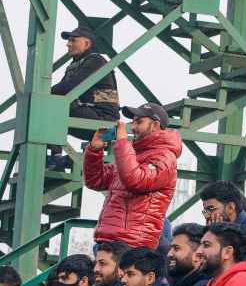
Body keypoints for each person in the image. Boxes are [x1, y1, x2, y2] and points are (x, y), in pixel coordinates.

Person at [84, 103, 183, 248]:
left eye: (139, 122)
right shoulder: (132, 155)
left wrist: (122, 142)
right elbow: (95, 180)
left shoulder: (165, 157)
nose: (133, 127)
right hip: (109, 239)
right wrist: (94, 150)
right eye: (133, 122)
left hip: (133, 243)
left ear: (155, 125)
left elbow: (136, 180)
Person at [47, 26, 119, 171]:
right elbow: (62, 89)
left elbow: (69, 87)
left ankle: (56, 158)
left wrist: (43, 95)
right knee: (48, 106)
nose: (68, 44)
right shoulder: (76, 64)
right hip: (90, 114)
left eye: (73, 40)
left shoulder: (95, 60)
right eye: (68, 40)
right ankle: (54, 158)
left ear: (87, 44)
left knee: (50, 105)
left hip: (104, 120)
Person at [200, 180, 246, 270]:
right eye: (205, 211)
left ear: (230, 207)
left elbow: (237, 272)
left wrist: (218, 238)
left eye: (211, 209)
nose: (207, 215)